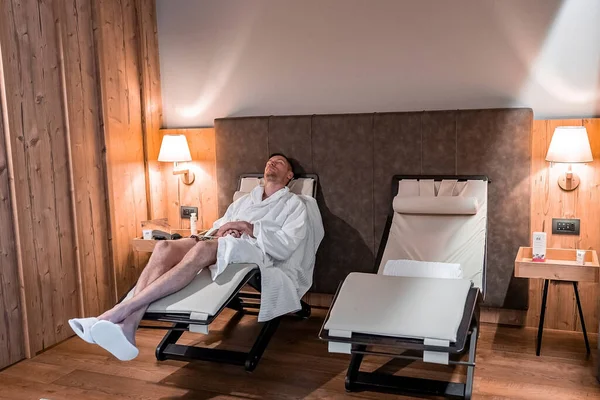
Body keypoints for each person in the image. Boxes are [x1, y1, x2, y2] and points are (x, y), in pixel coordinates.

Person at [69, 153, 311, 361]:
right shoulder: (245, 200)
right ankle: (128, 328)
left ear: (290, 176)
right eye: (269, 161)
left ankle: (115, 313)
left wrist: (248, 227)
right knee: (164, 248)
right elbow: (219, 224)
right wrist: (222, 229)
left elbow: (286, 245)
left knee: (202, 250)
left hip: (255, 250)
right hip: (221, 240)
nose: (272, 164)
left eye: (279, 163)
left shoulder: (295, 205)